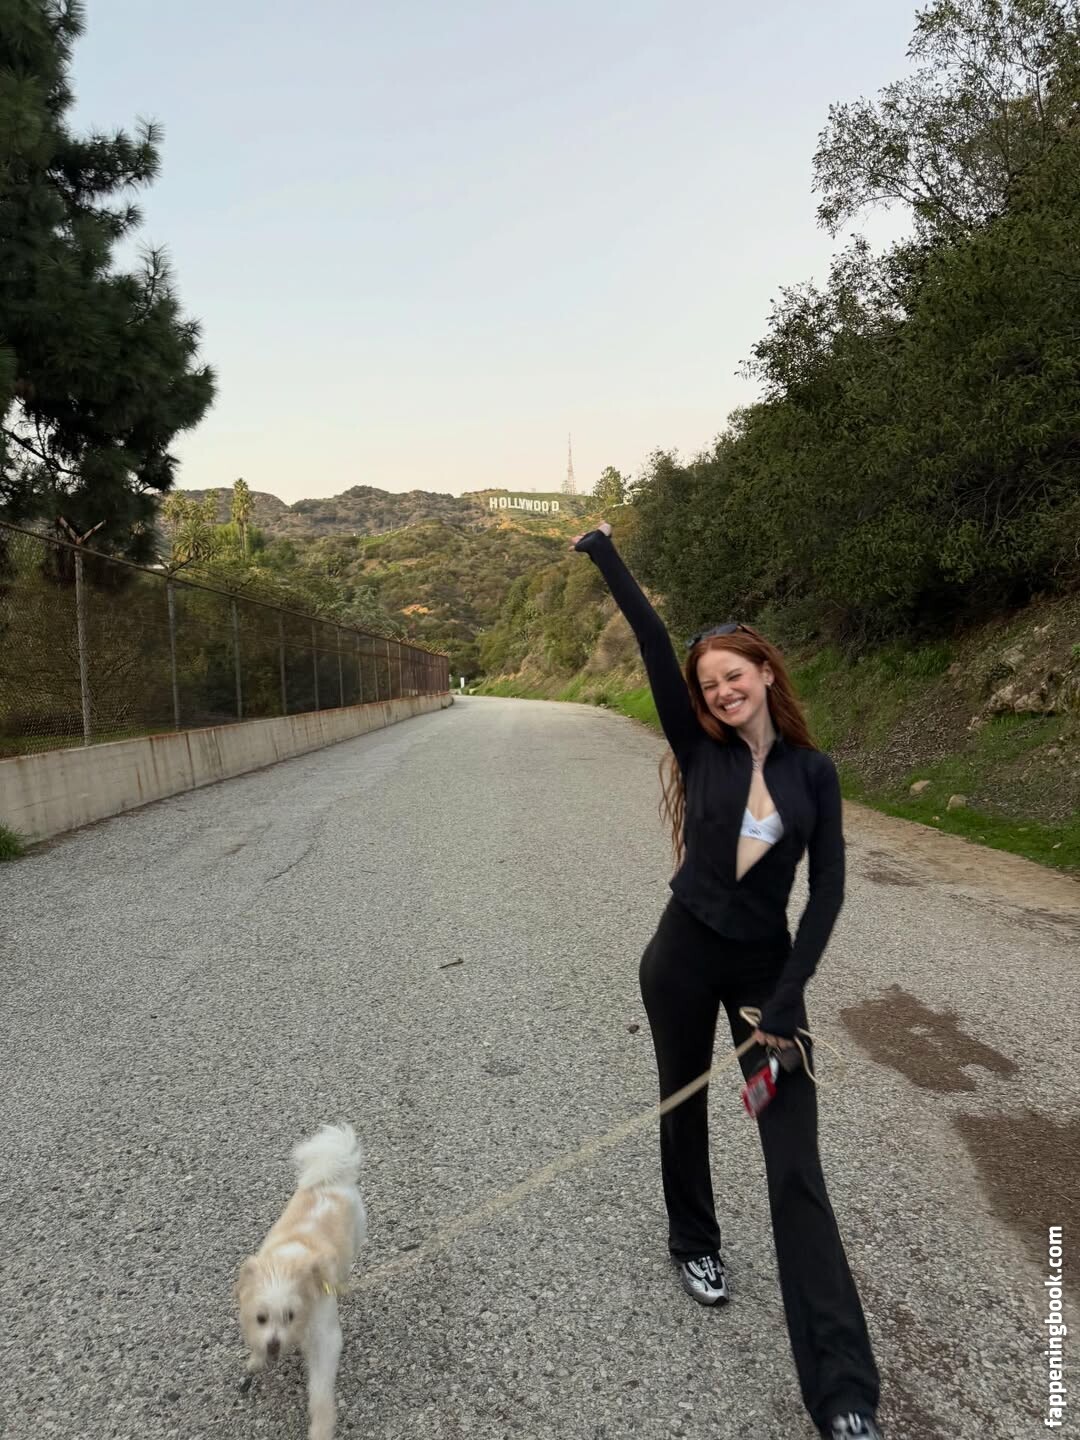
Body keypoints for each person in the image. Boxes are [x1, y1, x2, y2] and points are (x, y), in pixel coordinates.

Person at [571, 521, 883, 1440]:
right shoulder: (698, 748)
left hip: (764, 976)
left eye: (733, 674)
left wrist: (785, 1002)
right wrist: (604, 550)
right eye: (708, 683)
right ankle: (694, 1243)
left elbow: (827, 893)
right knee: (684, 1103)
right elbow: (650, 636)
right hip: (678, 957)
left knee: (796, 1167)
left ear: (766, 673)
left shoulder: (814, 774)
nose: (720, 689)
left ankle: (844, 1395)